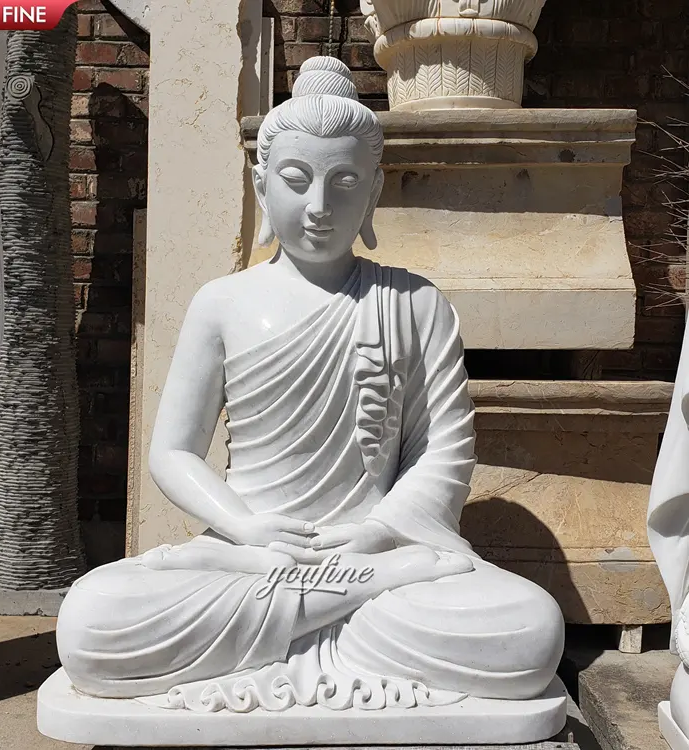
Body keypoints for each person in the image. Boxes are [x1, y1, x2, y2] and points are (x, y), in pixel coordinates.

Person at [56, 56, 563, 712]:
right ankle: (343, 602)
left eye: (345, 182)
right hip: (256, 555)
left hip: (371, 548)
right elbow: (173, 452)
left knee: (528, 630)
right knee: (92, 622)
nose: (319, 206)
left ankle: (318, 611)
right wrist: (248, 530)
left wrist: (379, 533)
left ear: (374, 191)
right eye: (297, 181)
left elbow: (445, 453)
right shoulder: (222, 302)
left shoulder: (414, 302)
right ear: (262, 186)